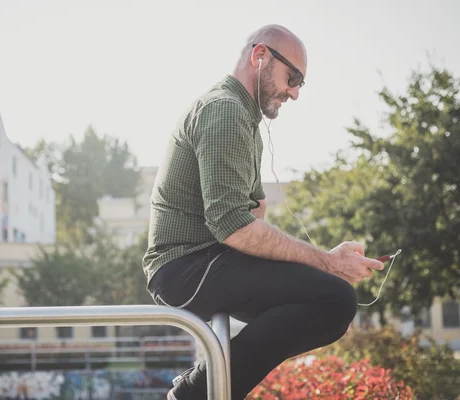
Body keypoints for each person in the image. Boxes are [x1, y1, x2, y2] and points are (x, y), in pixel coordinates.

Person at [142, 24, 385, 400]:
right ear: (260, 56)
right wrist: (328, 262)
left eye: (301, 83)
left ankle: (201, 387)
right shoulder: (224, 111)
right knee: (334, 299)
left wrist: (310, 262)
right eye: (293, 77)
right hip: (185, 269)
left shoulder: (243, 119)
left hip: (206, 261)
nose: (295, 93)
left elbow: (251, 217)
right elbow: (234, 227)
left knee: (321, 296)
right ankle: (193, 394)